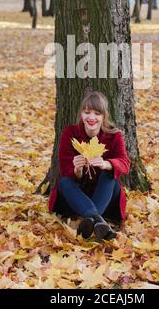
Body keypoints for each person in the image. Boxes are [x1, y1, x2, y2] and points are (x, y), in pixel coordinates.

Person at [48, 91, 130, 240]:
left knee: (110, 175)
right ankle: (99, 222)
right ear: (81, 114)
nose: (91, 118)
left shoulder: (114, 136)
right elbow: (65, 170)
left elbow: (125, 164)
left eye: (97, 114)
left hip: (105, 196)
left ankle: (91, 220)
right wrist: (77, 169)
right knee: (65, 182)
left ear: (104, 116)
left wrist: (107, 164)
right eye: (87, 112)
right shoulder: (70, 133)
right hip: (76, 199)